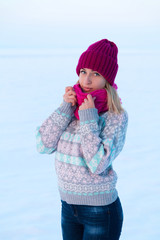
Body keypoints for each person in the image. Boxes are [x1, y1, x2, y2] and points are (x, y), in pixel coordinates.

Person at [36, 39, 128, 240]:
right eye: (83, 71)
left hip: (100, 211)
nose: (86, 80)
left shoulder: (115, 116)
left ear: (107, 80)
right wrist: (65, 108)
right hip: (68, 207)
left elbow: (98, 164)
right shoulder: (71, 107)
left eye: (96, 74)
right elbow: (43, 145)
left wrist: (88, 119)